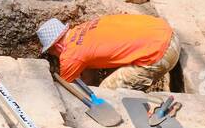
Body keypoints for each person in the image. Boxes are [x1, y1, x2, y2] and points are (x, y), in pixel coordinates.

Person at [38, 15, 180, 92]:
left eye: (51, 52)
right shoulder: (83, 28)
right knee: (112, 72)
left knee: (106, 92)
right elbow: (87, 73)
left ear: (57, 46)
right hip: (166, 31)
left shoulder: (70, 55)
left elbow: (66, 91)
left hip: (161, 54)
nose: (54, 56)